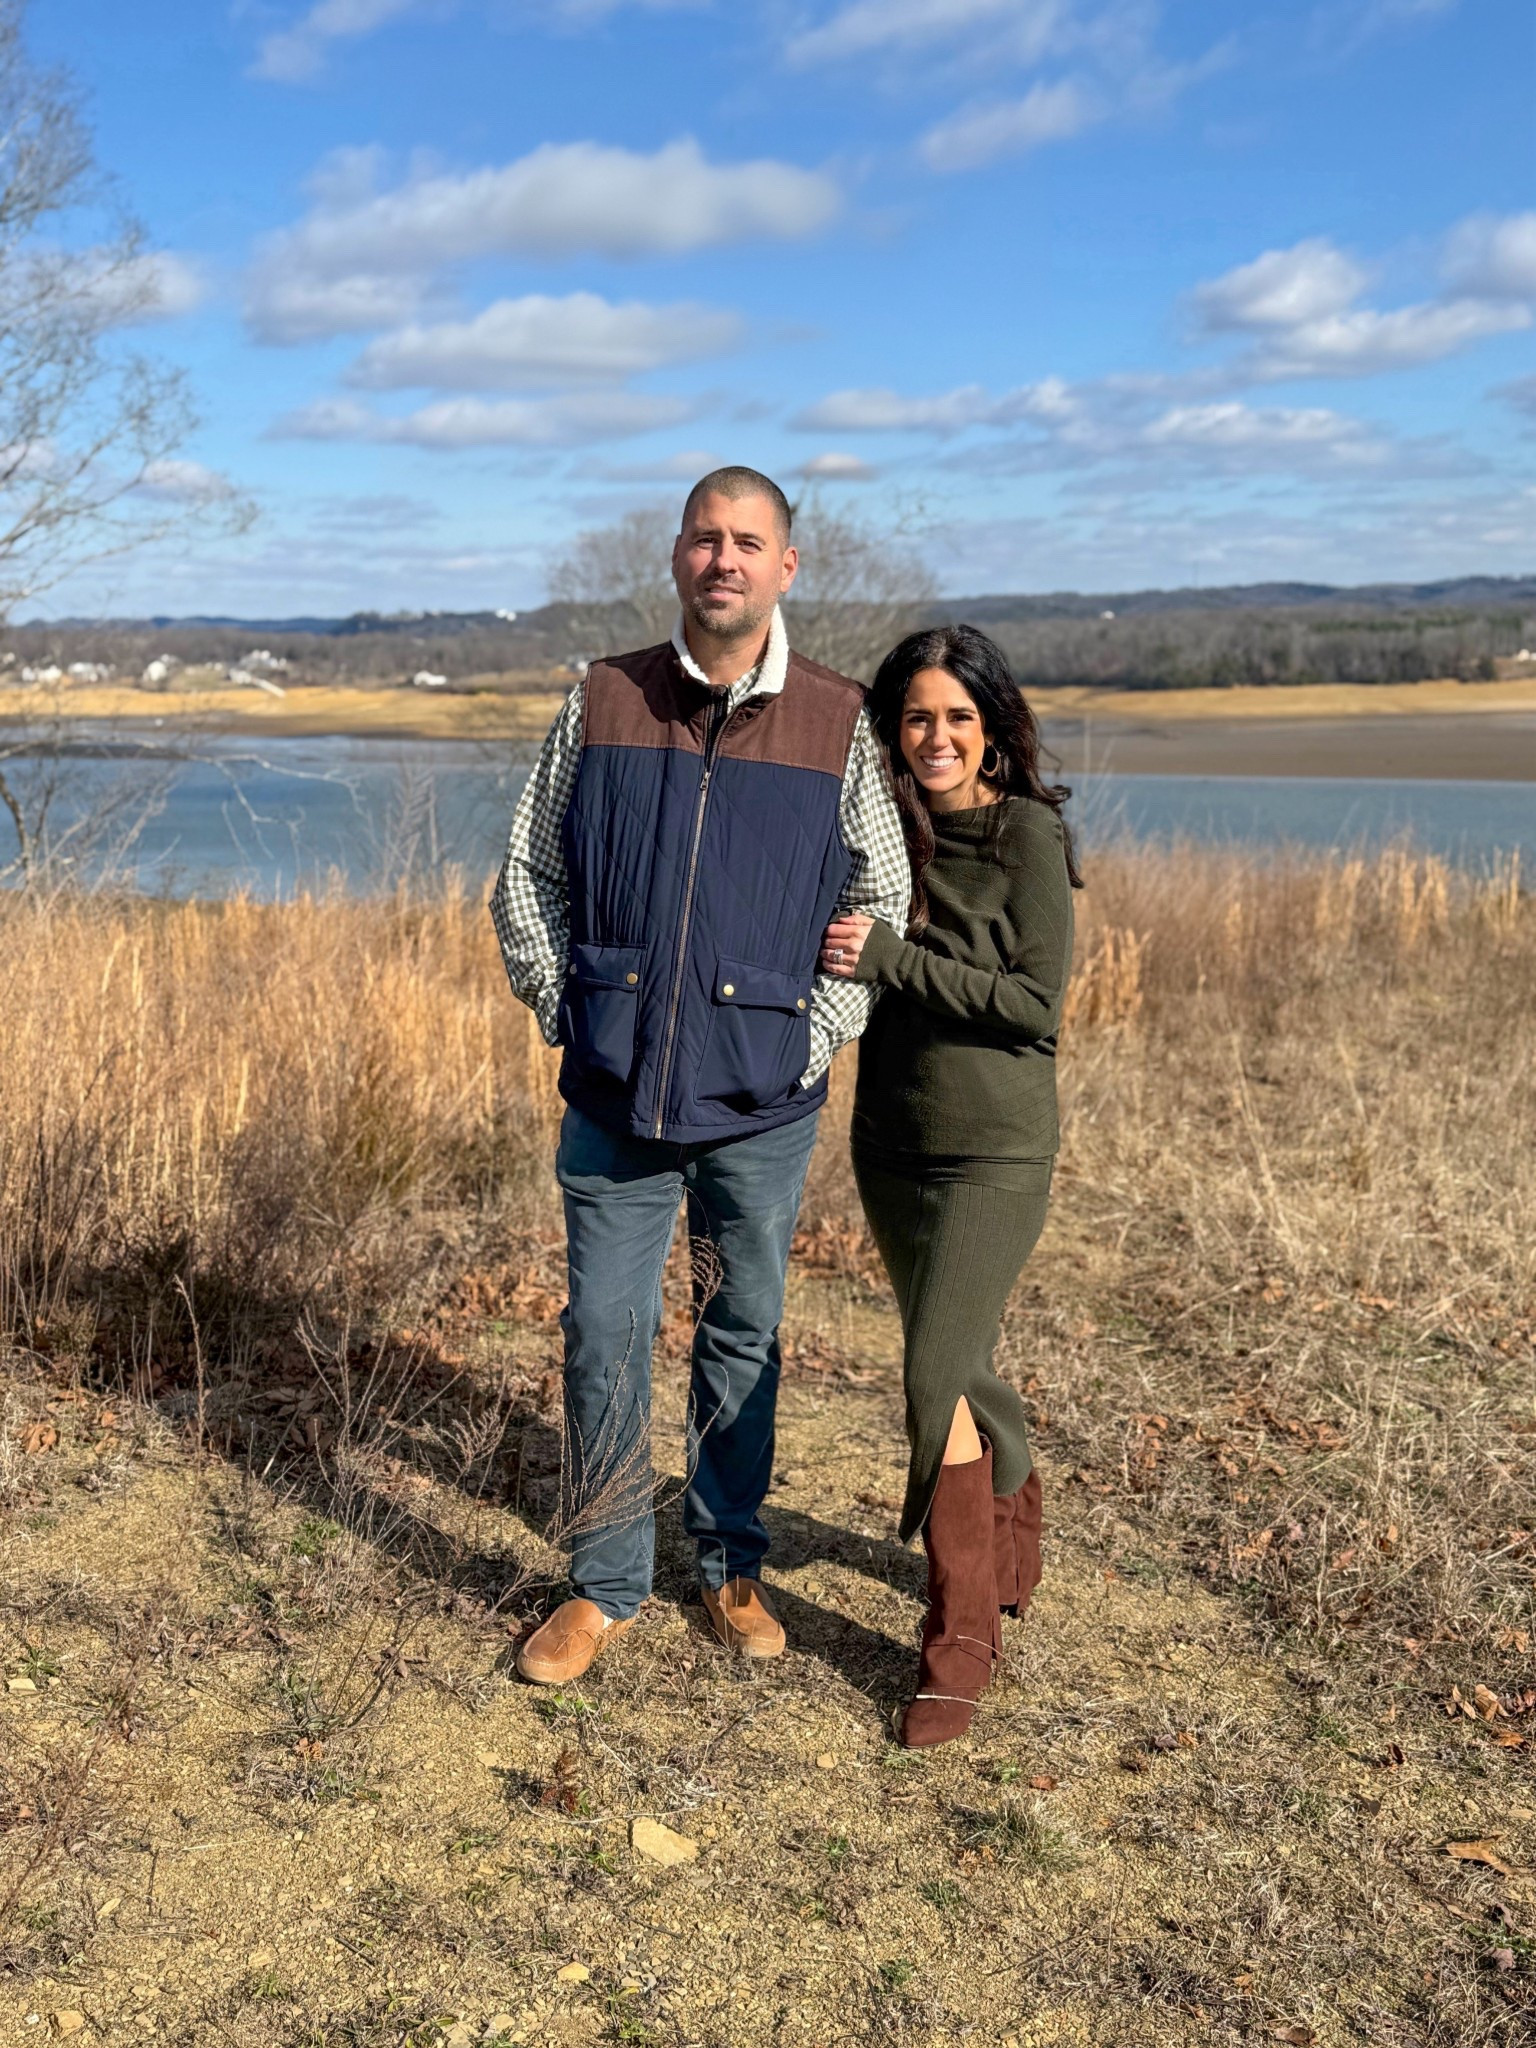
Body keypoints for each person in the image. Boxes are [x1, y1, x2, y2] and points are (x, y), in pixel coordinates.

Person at [490, 466, 909, 1685]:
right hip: (616, 1098)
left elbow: (878, 893)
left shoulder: (838, 721)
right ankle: (604, 1578)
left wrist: (812, 1029)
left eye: (749, 541)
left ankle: (728, 1559)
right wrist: (566, 998)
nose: (722, 559)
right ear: (676, 556)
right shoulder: (604, 698)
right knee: (604, 1332)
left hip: (759, 1109)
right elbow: (529, 868)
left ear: (787, 566)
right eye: (703, 538)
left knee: (743, 1328)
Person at [819, 623, 1081, 1747]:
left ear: (993, 727)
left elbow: (1033, 1007)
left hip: (994, 1149)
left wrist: (889, 954)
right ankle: (1012, 1527)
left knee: (932, 1371)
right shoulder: (886, 836)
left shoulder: (1027, 833)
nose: (936, 736)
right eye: (916, 716)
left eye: (957, 717)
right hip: (891, 1140)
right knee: (960, 1358)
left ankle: (959, 1634)